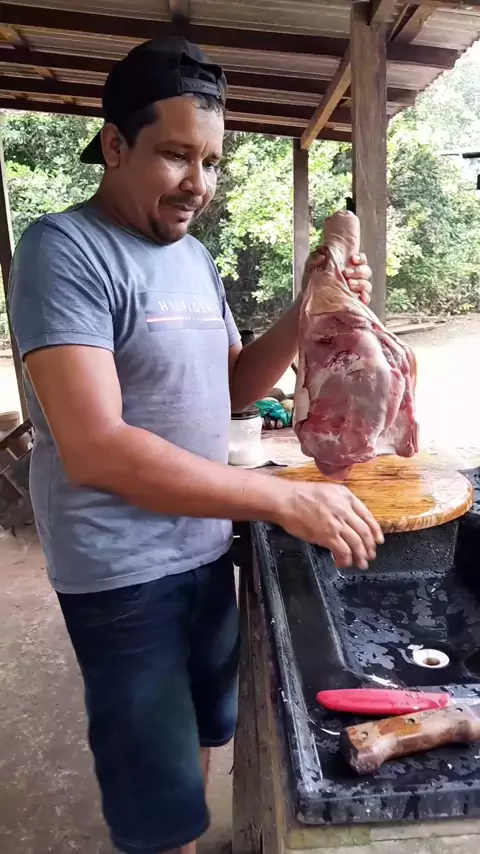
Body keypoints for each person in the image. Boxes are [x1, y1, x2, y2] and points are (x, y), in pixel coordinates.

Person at [8, 37, 383, 854]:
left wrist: (310, 301)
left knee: (207, 729)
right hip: (121, 573)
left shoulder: (195, 259)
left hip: (206, 546)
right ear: (115, 145)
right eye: (177, 155)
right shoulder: (62, 251)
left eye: (210, 162)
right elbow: (96, 447)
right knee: (158, 794)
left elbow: (235, 384)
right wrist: (280, 498)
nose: (199, 185)